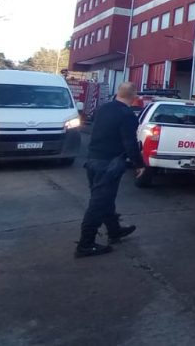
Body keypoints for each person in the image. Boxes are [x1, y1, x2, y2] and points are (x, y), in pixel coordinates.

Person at [75, 82, 142, 258]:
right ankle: (85, 244)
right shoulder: (127, 115)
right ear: (134, 96)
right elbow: (130, 143)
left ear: (118, 93)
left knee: (106, 199)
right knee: (98, 203)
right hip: (110, 163)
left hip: (93, 160)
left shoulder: (103, 109)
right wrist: (139, 165)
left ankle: (114, 230)